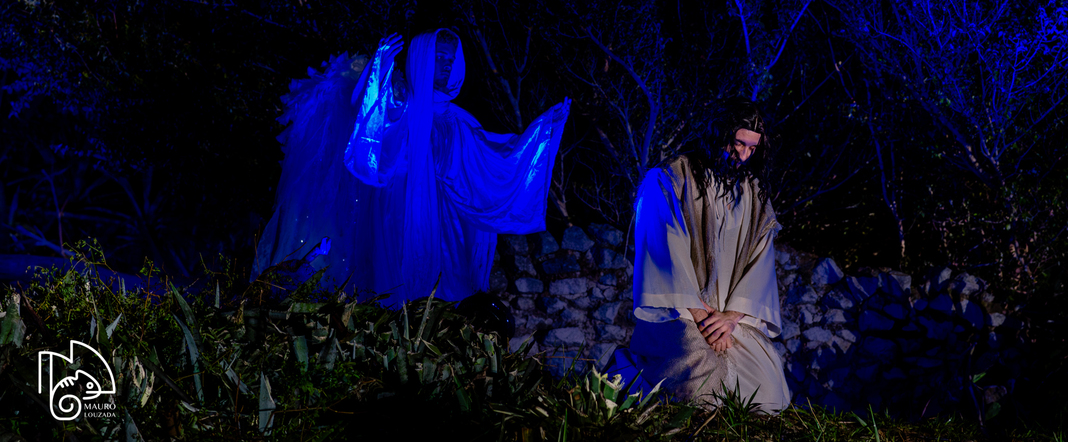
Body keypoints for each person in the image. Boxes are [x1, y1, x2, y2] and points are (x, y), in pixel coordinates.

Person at [253, 29, 570, 305]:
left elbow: (498, 161)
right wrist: (379, 70)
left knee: (450, 292)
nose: (446, 66)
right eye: (439, 58)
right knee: (406, 286)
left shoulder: (460, 120)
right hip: (406, 212)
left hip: (453, 227)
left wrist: (541, 133)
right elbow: (371, 124)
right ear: (422, 58)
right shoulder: (404, 105)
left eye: (450, 60)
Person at [608, 98, 790, 413]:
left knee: (770, 392)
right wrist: (700, 315)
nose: (743, 155)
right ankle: (624, 373)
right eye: (737, 144)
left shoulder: (754, 193)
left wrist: (731, 319)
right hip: (679, 311)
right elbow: (665, 249)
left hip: (728, 318)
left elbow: (759, 261)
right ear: (719, 134)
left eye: (751, 148)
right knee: (701, 383)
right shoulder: (671, 178)